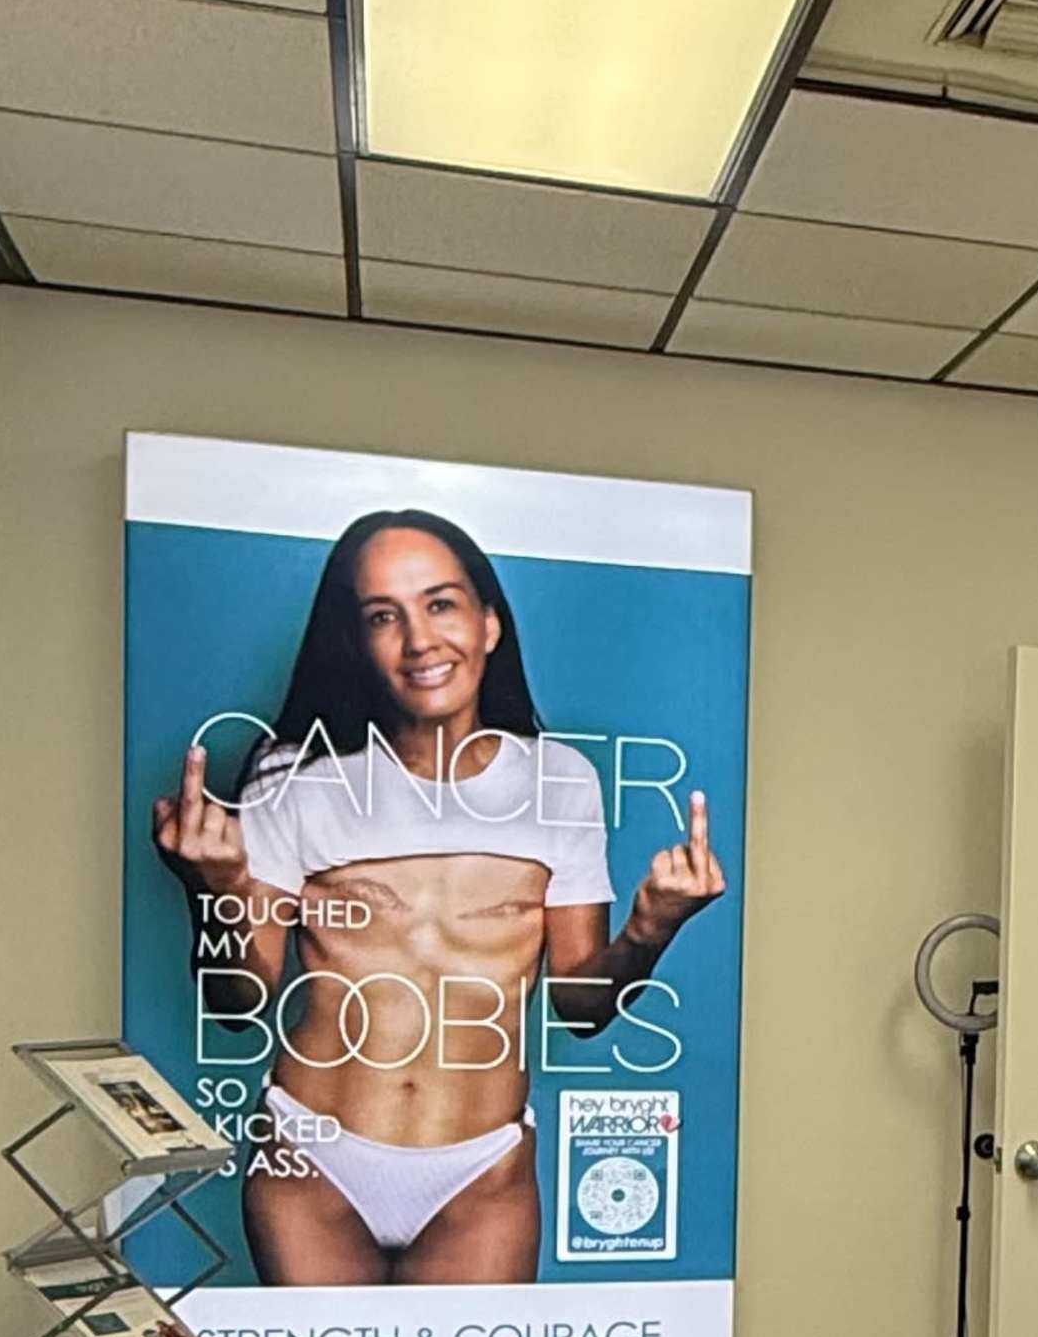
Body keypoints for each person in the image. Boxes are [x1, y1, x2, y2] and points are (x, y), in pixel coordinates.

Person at [149, 505, 724, 1284]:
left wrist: (653, 929)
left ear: (489, 624)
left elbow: (581, 1009)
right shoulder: (298, 779)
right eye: (384, 616)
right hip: (313, 1163)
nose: (420, 640)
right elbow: (237, 1002)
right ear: (357, 642)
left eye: (441, 604)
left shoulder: (560, 781)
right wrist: (211, 890)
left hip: (482, 1175)